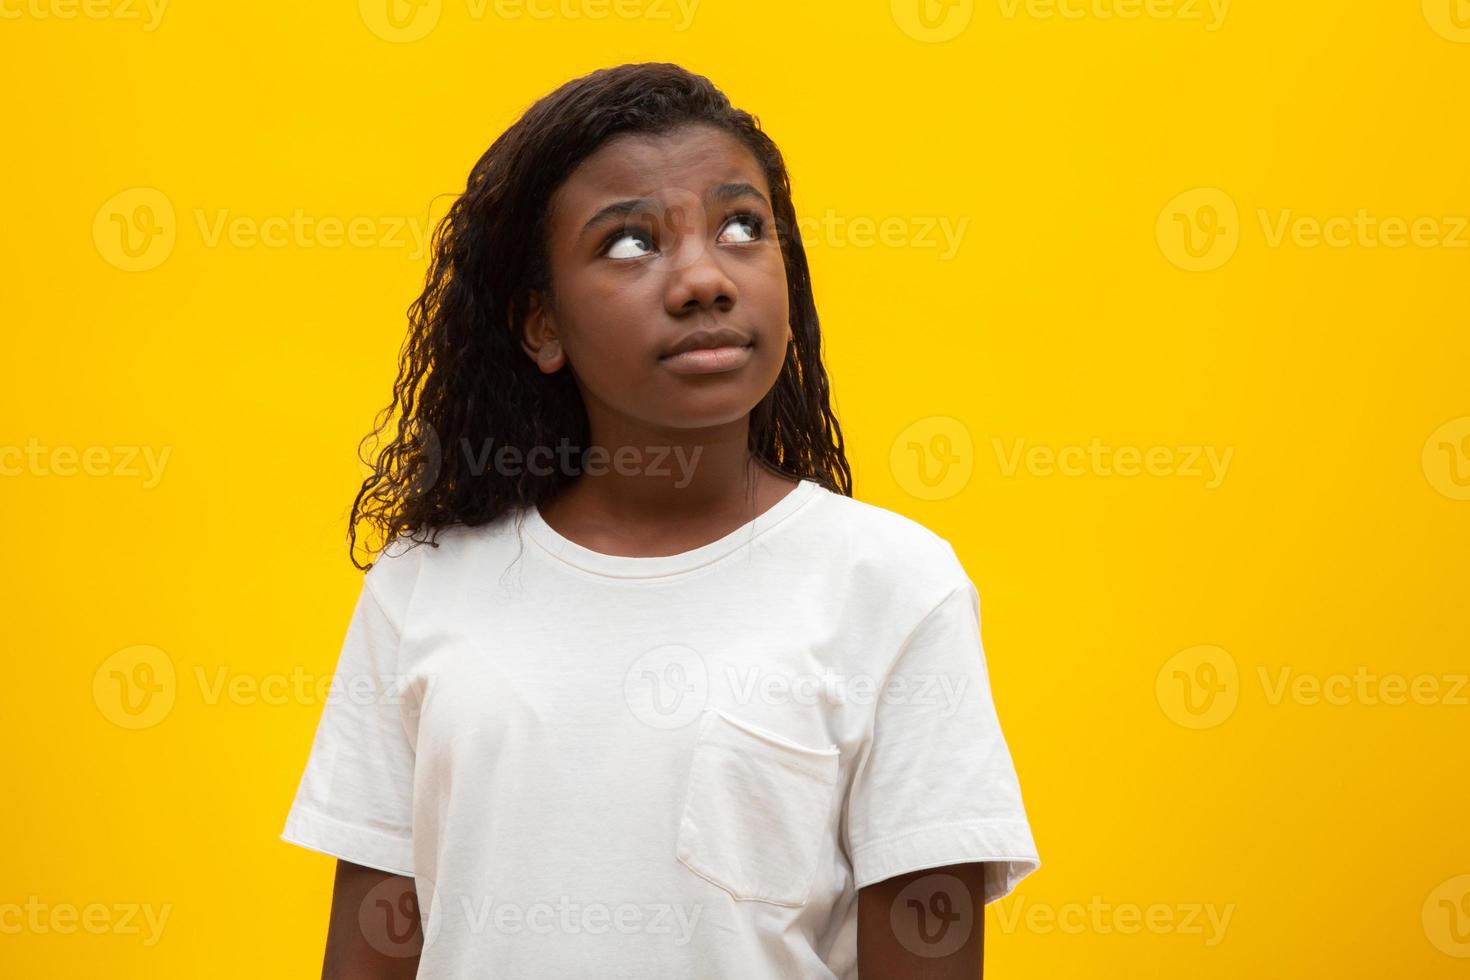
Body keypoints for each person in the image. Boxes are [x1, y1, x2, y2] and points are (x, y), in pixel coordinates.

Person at [280, 61, 1039, 979]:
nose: (704, 278)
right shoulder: (424, 584)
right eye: (631, 243)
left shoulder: (894, 587)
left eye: (741, 226)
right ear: (540, 327)